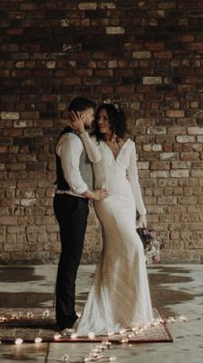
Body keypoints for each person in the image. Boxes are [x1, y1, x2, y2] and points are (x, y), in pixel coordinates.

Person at [75, 102, 154, 335]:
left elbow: (135, 180)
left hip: (127, 201)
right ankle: (123, 309)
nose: (100, 122)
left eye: (105, 119)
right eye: (98, 118)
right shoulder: (95, 143)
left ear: (115, 121)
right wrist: (81, 131)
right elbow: (92, 156)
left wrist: (143, 211)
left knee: (116, 254)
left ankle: (124, 311)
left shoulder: (129, 146)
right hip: (106, 201)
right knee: (135, 248)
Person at [53, 97, 108, 331]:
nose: (94, 120)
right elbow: (72, 175)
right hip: (70, 202)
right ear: (81, 116)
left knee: (72, 258)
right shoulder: (69, 140)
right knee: (70, 259)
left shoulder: (80, 138)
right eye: (91, 116)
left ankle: (66, 312)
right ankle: (64, 316)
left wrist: (83, 132)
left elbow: (96, 158)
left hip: (76, 202)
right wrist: (92, 195)